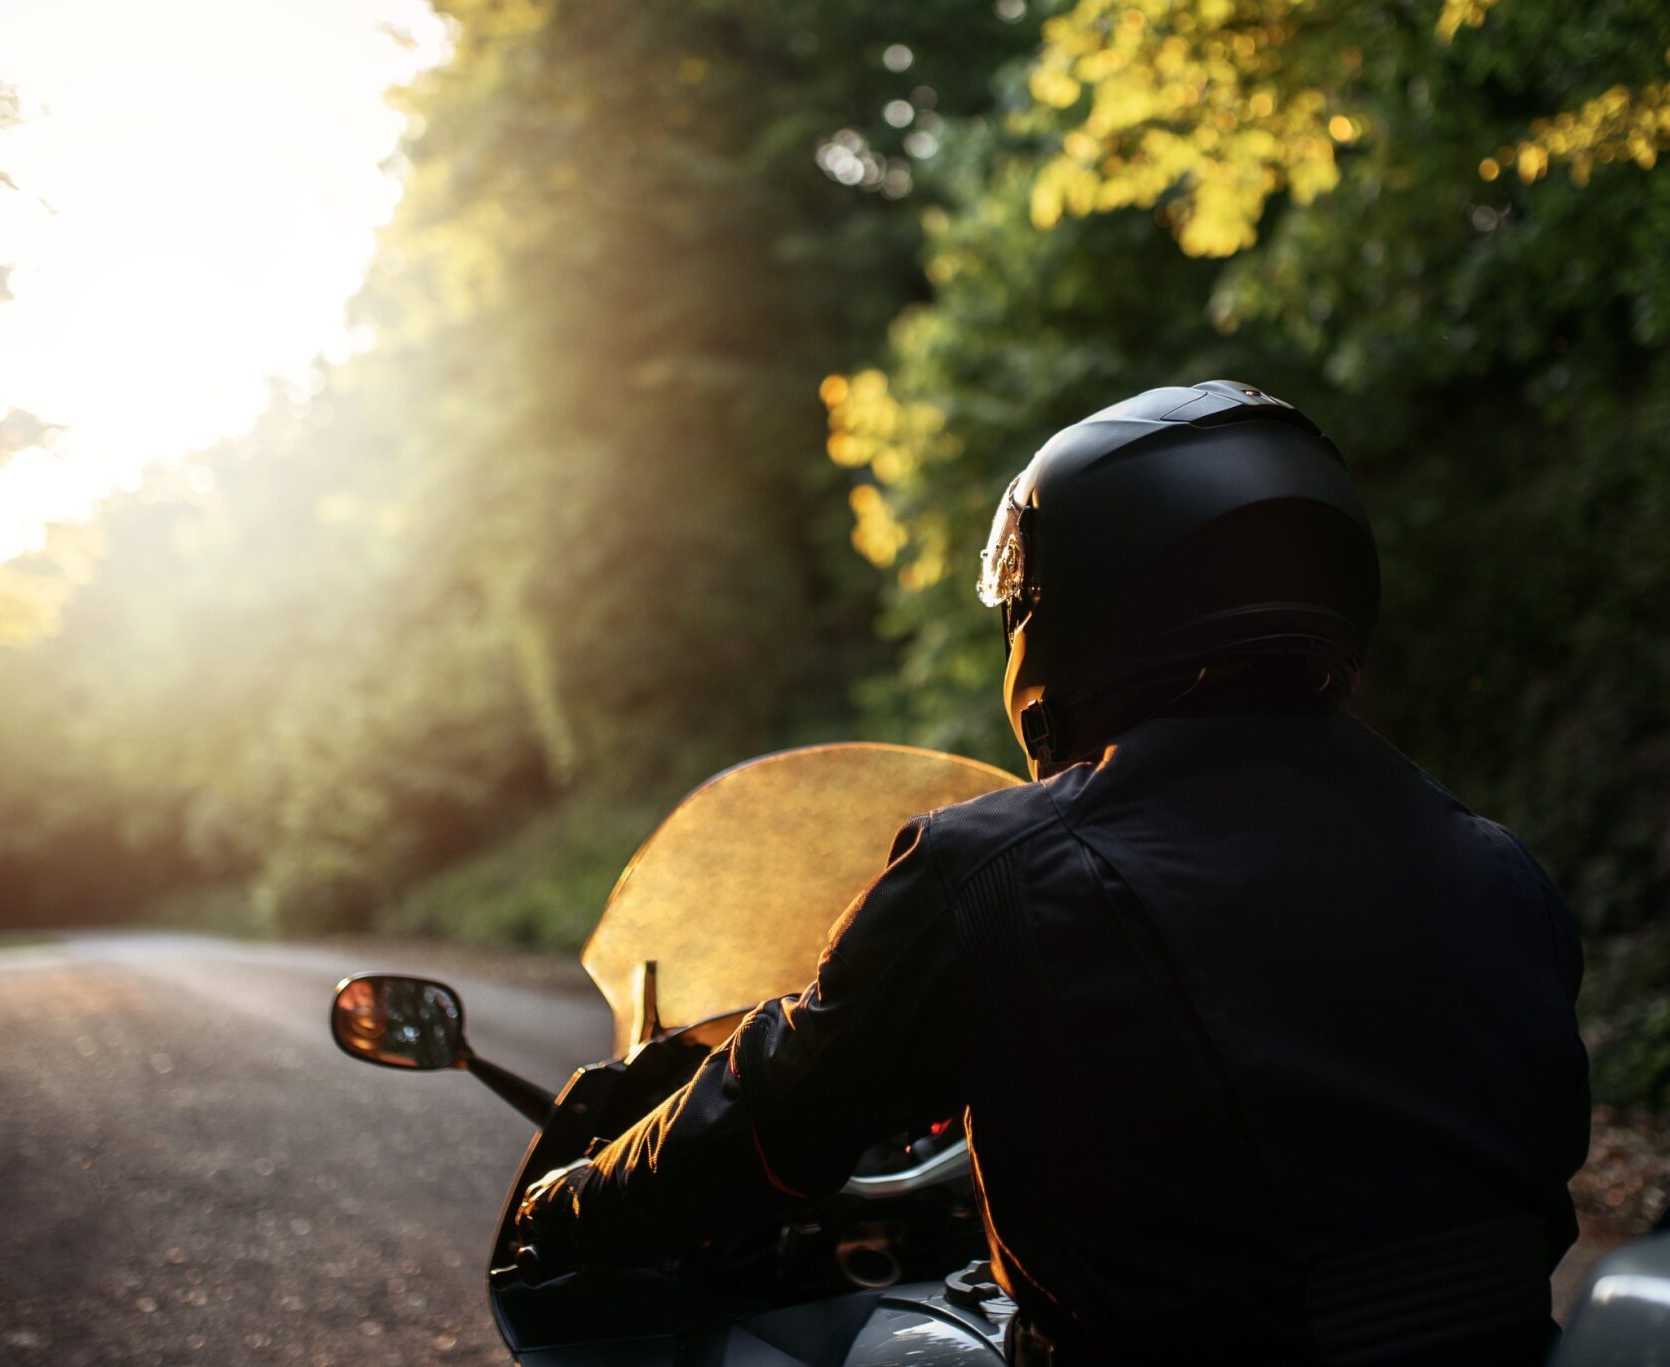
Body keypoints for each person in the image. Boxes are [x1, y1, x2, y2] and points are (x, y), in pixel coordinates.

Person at [513, 381, 1590, 1365]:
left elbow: (771, 1115)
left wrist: (569, 1201)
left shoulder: (1001, 872)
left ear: (1073, 612)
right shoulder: (1495, 868)